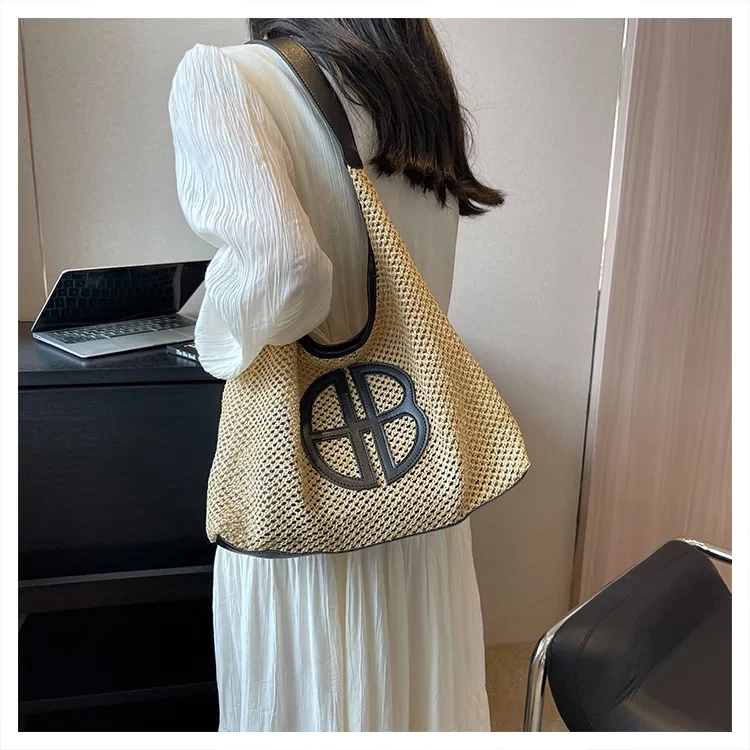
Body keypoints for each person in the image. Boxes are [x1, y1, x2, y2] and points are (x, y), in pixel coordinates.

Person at [168, 18, 505, 732]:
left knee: (312, 698)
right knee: (417, 700)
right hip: (419, 488)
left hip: (302, 507)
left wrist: (214, 326)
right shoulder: (419, 92)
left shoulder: (226, 77)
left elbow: (289, 271)